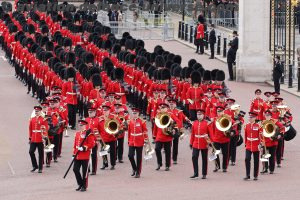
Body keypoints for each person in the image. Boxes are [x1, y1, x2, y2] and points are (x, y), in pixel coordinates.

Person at [72, 120, 95, 192]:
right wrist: (73, 154)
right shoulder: (77, 133)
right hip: (77, 155)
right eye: (79, 125)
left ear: (85, 126)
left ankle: (84, 186)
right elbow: (75, 145)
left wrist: (84, 147)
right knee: (75, 169)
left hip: (85, 155)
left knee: (84, 172)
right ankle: (80, 183)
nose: (80, 126)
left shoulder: (88, 134)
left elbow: (92, 144)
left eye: (81, 125)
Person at [127, 108, 148, 178]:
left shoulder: (142, 121)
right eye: (133, 113)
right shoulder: (130, 121)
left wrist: (145, 141)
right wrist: (129, 140)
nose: (134, 114)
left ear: (138, 114)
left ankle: (138, 172)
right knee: (130, 155)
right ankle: (134, 168)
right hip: (132, 141)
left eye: (135, 113)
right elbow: (129, 132)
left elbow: (145, 132)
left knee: (139, 158)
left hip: (139, 141)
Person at [190, 109, 210, 179]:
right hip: (196, 142)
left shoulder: (207, 123)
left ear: (203, 115)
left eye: (200, 114)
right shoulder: (194, 123)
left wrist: (210, 143)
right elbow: (192, 134)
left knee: (204, 159)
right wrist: (191, 143)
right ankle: (196, 173)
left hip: (204, 142)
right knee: (194, 157)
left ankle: (204, 173)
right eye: (198, 115)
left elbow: (210, 134)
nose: (199, 116)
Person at [29, 106, 48, 173]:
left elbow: (45, 129)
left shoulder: (43, 119)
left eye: (37, 111)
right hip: (34, 138)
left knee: (41, 153)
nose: (36, 112)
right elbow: (30, 129)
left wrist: (44, 137)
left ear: (40, 112)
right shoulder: (32, 119)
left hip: (40, 138)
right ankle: (35, 166)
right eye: (35, 111)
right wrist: (30, 137)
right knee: (31, 152)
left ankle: (40, 168)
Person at [244, 112, 261, 181]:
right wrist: (245, 143)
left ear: (255, 118)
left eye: (251, 117)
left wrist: (260, 144)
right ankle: (247, 175)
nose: (250, 118)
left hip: (256, 145)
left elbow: (260, 136)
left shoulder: (258, 126)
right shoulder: (246, 125)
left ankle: (255, 175)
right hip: (248, 144)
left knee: (256, 161)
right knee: (247, 159)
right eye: (249, 117)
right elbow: (245, 135)